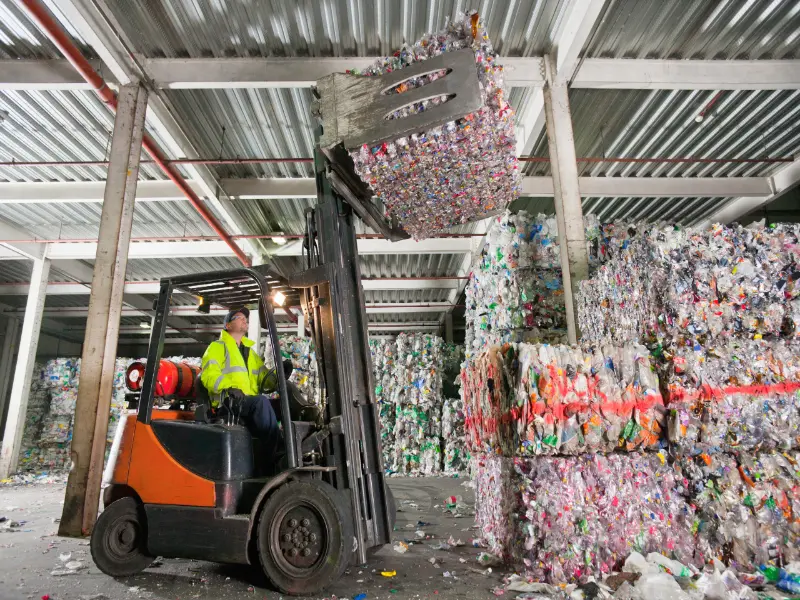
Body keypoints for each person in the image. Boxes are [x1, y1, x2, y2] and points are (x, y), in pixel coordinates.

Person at [200, 307, 280, 457]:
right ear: (228, 325)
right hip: (228, 402)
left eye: (246, 317)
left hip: (247, 403)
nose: (245, 319)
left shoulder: (250, 353)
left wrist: (279, 377)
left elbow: (264, 379)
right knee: (261, 402)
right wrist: (229, 387)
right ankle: (274, 455)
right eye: (239, 317)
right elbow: (209, 375)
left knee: (282, 404)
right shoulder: (218, 347)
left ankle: (283, 448)